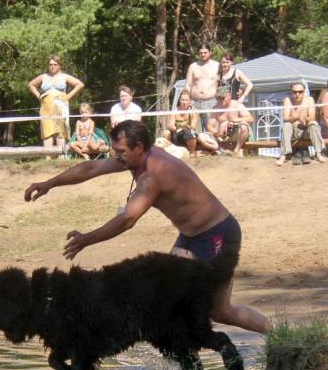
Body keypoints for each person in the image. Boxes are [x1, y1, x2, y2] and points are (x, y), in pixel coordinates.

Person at [24, 120, 269, 334]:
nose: (116, 156)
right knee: (166, 294)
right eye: (114, 150)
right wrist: (50, 183)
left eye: (120, 151)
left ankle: (278, 334)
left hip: (218, 234)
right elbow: (91, 168)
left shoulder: (152, 176)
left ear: (139, 147)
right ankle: (181, 365)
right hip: (191, 237)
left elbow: (127, 220)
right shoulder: (135, 157)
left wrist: (86, 239)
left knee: (221, 311)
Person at [28, 55, 84, 150]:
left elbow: (80, 84)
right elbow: (31, 85)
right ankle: (48, 157)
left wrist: (69, 95)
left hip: (60, 107)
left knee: (60, 132)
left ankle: (61, 156)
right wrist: (39, 96)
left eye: (55, 64)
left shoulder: (64, 76)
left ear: (59, 65)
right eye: (50, 64)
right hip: (46, 107)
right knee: (47, 133)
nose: (52, 66)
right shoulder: (43, 77)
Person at [276, 83, 326, 166]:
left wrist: (303, 118)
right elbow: (285, 118)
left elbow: (312, 117)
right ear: (291, 92)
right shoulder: (287, 100)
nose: (297, 94)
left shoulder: (310, 99)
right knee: (286, 125)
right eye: (294, 92)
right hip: (293, 131)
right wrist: (297, 117)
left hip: (306, 129)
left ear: (304, 92)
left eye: (300, 91)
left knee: (313, 124)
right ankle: (284, 155)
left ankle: (318, 153)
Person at [163, 89, 218, 158]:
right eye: (182, 100)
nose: (184, 102)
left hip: (190, 135)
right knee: (166, 132)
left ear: (190, 101)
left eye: (186, 100)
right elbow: (170, 125)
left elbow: (193, 127)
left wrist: (184, 126)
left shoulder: (194, 111)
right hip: (177, 134)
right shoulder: (175, 110)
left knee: (190, 132)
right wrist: (178, 127)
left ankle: (192, 152)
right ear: (179, 100)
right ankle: (167, 151)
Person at [207, 85, 253, 157]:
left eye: (222, 98)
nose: (220, 100)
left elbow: (250, 119)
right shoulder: (215, 108)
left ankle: (236, 150)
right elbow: (210, 125)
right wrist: (216, 133)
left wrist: (234, 121)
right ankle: (220, 150)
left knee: (244, 126)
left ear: (229, 96)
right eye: (218, 98)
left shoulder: (237, 105)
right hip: (222, 137)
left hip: (237, 135)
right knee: (202, 136)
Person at [185, 43, 219, 132]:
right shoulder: (193, 66)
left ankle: (214, 145)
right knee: (194, 129)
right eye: (201, 53)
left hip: (210, 102)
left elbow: (223, 83)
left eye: (205, 52)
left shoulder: (217, 66)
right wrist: (186, 100)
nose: (203, 54)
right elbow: (188, 85)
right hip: (194, 102)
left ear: (210, 52)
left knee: (211, 128)